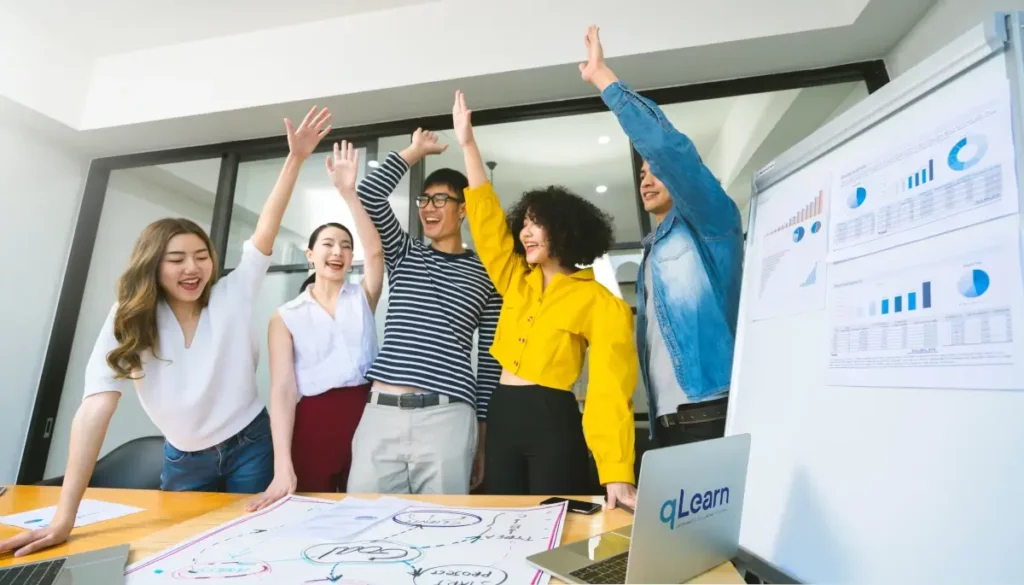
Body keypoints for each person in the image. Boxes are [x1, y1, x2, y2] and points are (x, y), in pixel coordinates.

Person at [0, 106, 332, 558]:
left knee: (256, 547)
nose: (193, 267)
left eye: (201, 255)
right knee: (184, 551)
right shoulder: (131, 316)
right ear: (153, 265)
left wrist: (294, 161)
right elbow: (95, 408)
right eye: (177, 259)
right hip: (184, 457)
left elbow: (263, 232)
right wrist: (64, 515)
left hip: (251, 442)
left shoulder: (233, 293)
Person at [453, 90, 639, 509]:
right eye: (525, 223)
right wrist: (468, 145)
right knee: (505, 520)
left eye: (538, 225)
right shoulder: (516, 278)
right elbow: (485, 225)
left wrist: (617, 473)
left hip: (552, 417)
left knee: (557, 521)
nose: (525, 232)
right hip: (502, 411)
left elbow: (611, 389)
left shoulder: (600, 303)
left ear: (566, 232)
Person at [580, 26, 744, 447]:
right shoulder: (654, 248)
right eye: (641, 175)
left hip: (711, 413)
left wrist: (605, 80)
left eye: (656, 173)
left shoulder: (710, 222)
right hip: (666, 422)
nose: (647, 181)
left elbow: (671, 153)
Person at [346, 129, 502, 495]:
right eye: (423, 199)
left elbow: (490, 363)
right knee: (361, 522)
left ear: (463, 208)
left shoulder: (488, 274)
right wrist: (414, 152)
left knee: (442, 529)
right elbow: (369, 194)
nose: (427, 208)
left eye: (440, 200)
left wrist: (481, 438)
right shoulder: (405, 252)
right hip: (382, 414)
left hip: (448, 416)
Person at [246, 141, 383, 511]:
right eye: (328, 244)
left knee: (365, 510)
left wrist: (348, 193)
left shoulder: (362, 297)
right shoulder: (286, 315)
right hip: (315, 423)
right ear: (310, 255)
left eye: (345, 246)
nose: (337, 252)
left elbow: (376, 252)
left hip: (370, 415)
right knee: (311, 513)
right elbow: (282, 390)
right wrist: (281, 465)